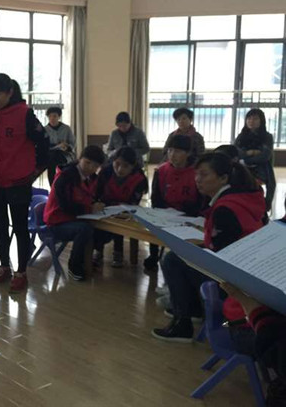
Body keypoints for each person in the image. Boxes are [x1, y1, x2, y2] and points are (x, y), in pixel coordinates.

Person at [152, 152, 267, 342]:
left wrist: (195, 249)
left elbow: (220, 258)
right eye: (196, 174)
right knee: (183, 255)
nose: (197, 179)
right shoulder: (242, 198)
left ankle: (183, 324)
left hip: (235, 283)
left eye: (204, 174)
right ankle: (194, 310)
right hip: (250, 275)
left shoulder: (225, 209)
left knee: (173, 259)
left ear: (223, 178)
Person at [0, 74, 49, 293]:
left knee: (20, 227)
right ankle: (4, 267)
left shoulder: (24, 114)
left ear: (10, 93)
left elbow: (44, 142)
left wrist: (35, 171)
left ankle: (21, 272)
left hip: (18, 181)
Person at [43, 145, 105, 281]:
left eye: (95, 166)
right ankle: (74, 265)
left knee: (99, 228)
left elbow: (91, 196)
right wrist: (90, 208)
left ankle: (88, 260)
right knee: (85, 229)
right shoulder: (65, 177)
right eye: (87, 162)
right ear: (79, 159)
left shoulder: (91, 178)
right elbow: (65, 207)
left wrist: (97, 203)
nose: (90, 168)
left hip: (74, 218)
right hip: (56, 222)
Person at [144, 135, 205, 272]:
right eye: (170, 150)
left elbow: (201, 202)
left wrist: (184, 213)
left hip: (189, 215)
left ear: (188, 153)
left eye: (177, 151)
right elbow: (156, 199)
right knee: (153, 223)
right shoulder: (161, 171)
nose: (172, 155)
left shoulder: (197, 172)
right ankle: (153, 255)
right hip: (166, 213)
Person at [94, 146, 148, 268]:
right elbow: (96, 194)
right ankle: (98, 251)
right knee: (98, 223)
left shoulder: (139, 178)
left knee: (120, 222)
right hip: (105, 208)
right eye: (117, 164)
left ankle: (118, 253)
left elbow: (134, 203)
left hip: (125, 211)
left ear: (133, 166)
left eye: (125, 166)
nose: (119, 169)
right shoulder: (105, 172)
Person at [235, 108, 276, 211]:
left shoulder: (267, 137)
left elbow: (265, 156)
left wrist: (246, 159)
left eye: (255, 119)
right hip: (243, 168)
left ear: (261, 121)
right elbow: (237, 152)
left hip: (260, 169)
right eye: (249, 118)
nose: (251, 121)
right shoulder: (241, 136)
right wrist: (251, 152)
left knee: (269, 182)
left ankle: (266, 205)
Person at [44, 106, 76, 186]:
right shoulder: (45, 130)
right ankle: (53, 186)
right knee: (52, 160)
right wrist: (56, 145)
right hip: (50, 155)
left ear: (59, 117)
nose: (52, 118)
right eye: (50, 116)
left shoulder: (66, 128)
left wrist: (67, 146)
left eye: (54, 116)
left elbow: (72, 143)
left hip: (65, 154)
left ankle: (63, 184)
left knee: (62, 162)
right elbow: (44, 145)